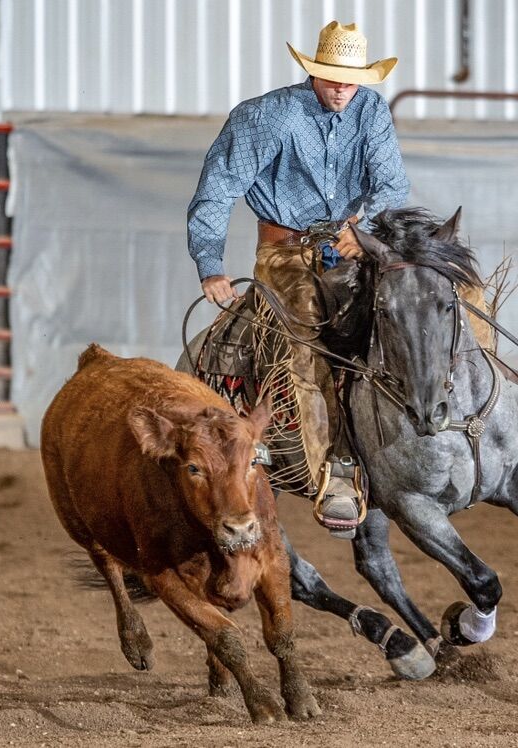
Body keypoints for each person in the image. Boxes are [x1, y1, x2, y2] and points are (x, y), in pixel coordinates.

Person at [187, 21, 407, 539]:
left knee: (406, 314)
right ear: (314, 72)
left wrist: (364, 230)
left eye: (350, 81)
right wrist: (211, 265)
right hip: (284, 252)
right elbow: (217, 187)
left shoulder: (371, 111)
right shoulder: (269, 116)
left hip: (351, 245)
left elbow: (391, 183)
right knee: (306, 343)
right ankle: (336, 470)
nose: (341, 89)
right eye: (332, 79)